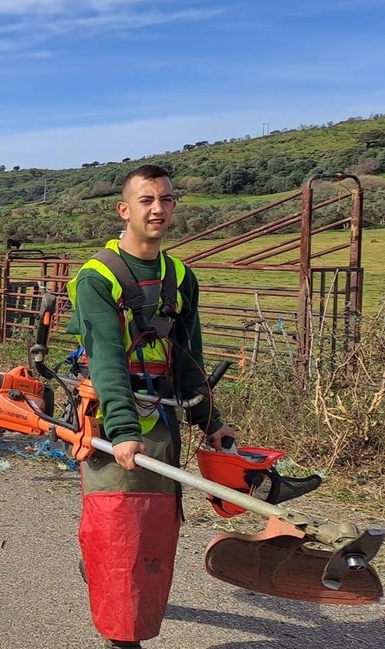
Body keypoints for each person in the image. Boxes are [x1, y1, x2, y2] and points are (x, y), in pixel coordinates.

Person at [66, 164, 236, 648]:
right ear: (125, 209)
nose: (157, 208)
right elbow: (106, 359)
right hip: (112, 418)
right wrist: (121, 430)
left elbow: (189, 359)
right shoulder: (97, 278)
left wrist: (210, 423)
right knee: (121, 521)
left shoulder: (180, 277)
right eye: (146, 200)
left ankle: (101, 571)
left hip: (161, 418)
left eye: (165, 198)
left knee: (155, 528)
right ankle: (123, 638)